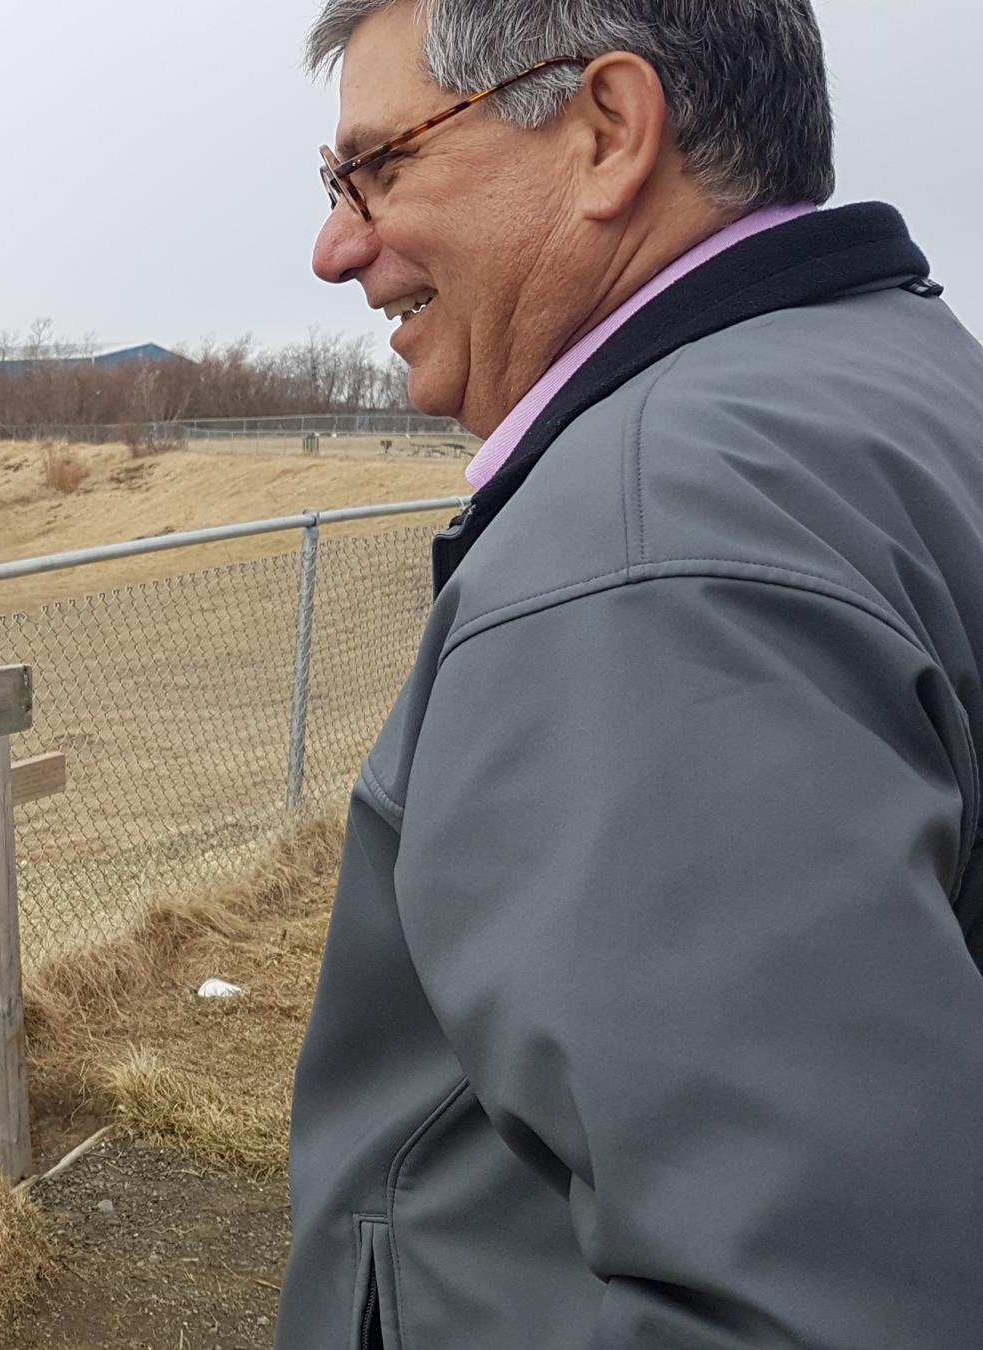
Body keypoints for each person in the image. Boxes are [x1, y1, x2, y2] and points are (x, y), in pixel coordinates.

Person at [287, 1, 983, 1345]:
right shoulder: (895, 394)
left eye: (381, 164)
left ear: (609, 129)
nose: (337, 246)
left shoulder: (651, 546)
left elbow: (799, 1296)